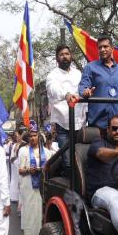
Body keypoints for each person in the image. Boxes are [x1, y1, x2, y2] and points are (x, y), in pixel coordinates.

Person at [46, 44, 86, 176]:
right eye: (61, 54)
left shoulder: (78, 73)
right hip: (63, 124)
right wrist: (66, 95)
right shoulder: (52, 75)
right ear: (57, 58)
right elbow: (53, 89)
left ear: (71, 56)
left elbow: (83, 90)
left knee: (82, 160)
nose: (65, 56)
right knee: (68, 162)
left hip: (80, 122)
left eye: (67, 54)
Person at [18, 122, 51, 235]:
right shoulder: (23, 151)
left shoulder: (47, 152)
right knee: (30, 215)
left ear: (39, 137)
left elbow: (51, 167)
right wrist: (28, 170)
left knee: (40, 215)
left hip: (42, 187)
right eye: (30, 136)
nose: (33, 138)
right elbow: (20, 170)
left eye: (35, 135)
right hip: (28, 186)